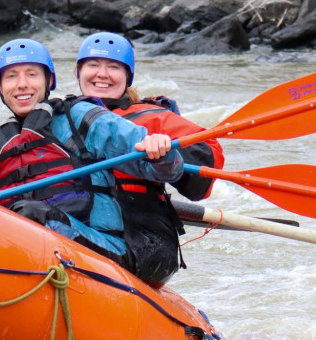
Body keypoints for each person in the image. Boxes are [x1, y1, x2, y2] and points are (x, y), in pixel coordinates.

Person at [0, 38, 183, 272]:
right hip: (28, 253)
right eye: (11, 77)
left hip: (102, 250)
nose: (22, 84)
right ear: (0, 88)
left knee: (31, 214)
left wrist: (160, 152)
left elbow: (167, 170)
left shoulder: (80, 117)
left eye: (32, 74)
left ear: (49, 81)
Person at [75, 31, 225, 285]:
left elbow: (207, 157)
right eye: (93, 65)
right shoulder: (62, 118)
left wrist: (166, 153)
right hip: (85, 224)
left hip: (140, 235)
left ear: (127, 77)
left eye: (113, 67)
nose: (102, 74)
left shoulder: (151, 118)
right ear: (79, 73)